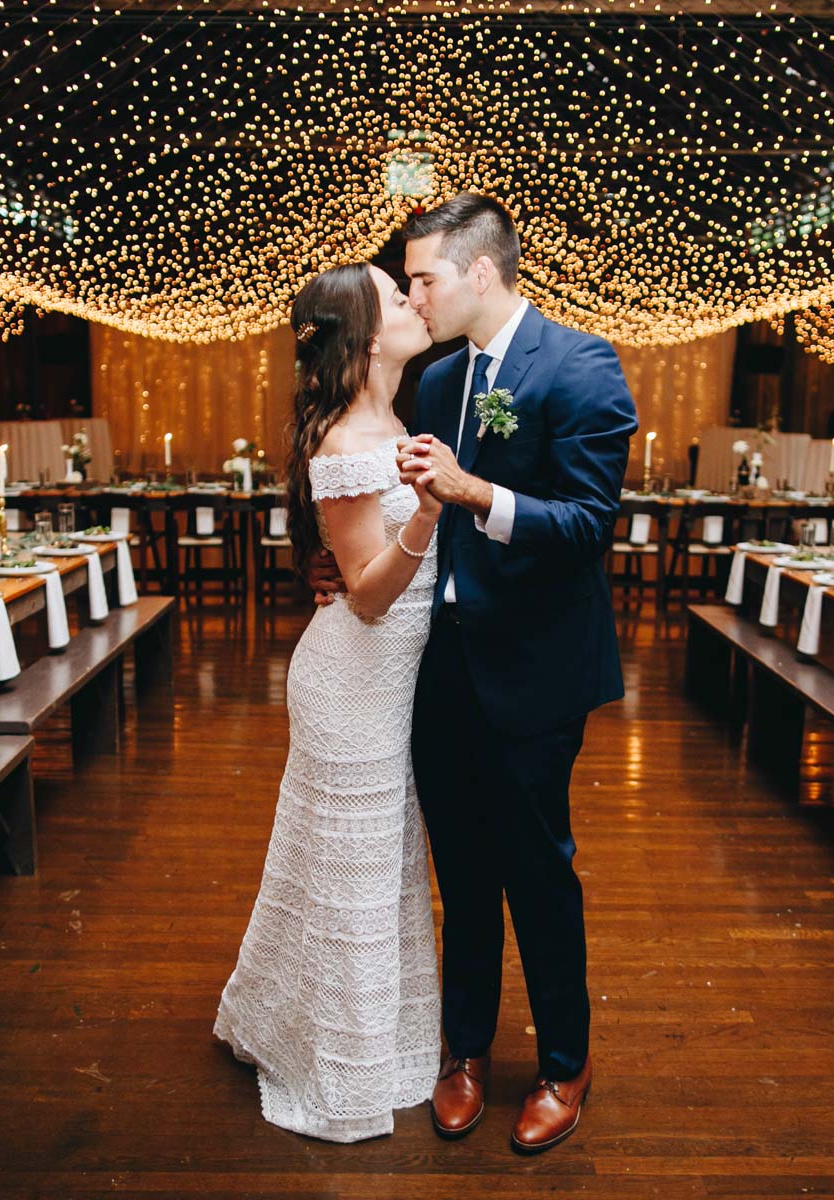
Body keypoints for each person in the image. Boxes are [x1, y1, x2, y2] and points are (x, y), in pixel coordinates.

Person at [315, 193, 638, 1153]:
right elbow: (376, 493)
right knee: (459, 866)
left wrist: (477, 492)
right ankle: (462, 1051)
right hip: (438, 664)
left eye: (424, 278)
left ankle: (563, 1063)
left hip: (536, 667)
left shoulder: (583, 365)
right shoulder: (443, 376)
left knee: (538, 869)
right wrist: (340, 577)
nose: (414, 294)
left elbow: (587, 526)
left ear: (480, 273)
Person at [214, 262, 442, 1142]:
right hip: (352, 680)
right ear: (368, 336)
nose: (414, 302)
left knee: (377, 866)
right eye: (396, 297)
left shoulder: (396, 418)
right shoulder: (348, 441)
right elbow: (367, 591)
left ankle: (365, 1035)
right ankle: (334, 1057)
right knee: (347, 869)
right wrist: (426, 512)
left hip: (392, 682)